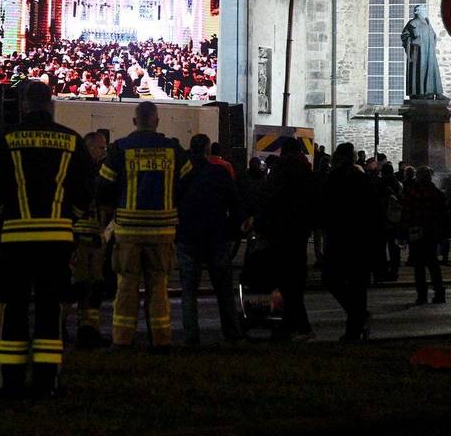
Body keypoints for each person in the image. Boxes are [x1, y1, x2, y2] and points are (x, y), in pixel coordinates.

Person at [0, 81, 92, 397]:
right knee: (50, 311)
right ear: (51, 106)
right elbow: (86, 186)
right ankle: (47, 381)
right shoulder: (71, 140)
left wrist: (1, 218)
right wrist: (71, 216)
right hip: (56, 240)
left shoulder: (6, 140)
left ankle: (10, 380)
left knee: (13, 310)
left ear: (24, 106)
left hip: (15, 239)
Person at [97, 101, 190, 349]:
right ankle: (161, 339)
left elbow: (103, 187)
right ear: (157, 121)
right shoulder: (173, 149)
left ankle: (122, 339)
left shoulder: (119, 149)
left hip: (128, 230)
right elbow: (188, 182)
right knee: (158, 287)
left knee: (126, 286)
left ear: (135, 121)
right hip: (162, 231)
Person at [176, 133, 243, 346]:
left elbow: (173, 201)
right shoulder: (219, 173)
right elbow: (235, 204)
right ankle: (232, 334)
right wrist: (233, 232)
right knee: (224, 291)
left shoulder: (182, 174)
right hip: (216, 236)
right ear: (207, 150)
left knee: (188, 292)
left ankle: (191, 336)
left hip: (188, 236)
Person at [254, 139, 317, 340]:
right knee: (294, 281)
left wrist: (259, 221)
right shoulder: (306, 170)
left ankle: (300, 326)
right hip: (299, 231)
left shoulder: (283, 169)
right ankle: (289, 325)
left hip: (281, 231)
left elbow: (270, 197)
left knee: (284, 280)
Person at [320, 142, 382, 342]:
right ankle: (357, 320)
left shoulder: (338, 178)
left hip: (343, 236)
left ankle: (355, 324)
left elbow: (327, 205)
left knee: (334, 279)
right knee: (356, 284)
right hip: (359, 237)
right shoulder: (360, 178)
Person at [71, 131, 110, 349]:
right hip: (80, 238)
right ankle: (65, 328)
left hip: (94, 236)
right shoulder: (80, 172)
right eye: (101, 148)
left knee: (94, 286)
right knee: (78, 286)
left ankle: (89, 329)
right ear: (89, 148)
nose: (104, 152)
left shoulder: (97, 171)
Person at [401, 165, 447, 305]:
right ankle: (439, 293)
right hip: (431, 232)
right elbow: (442, 215)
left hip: (416, 233)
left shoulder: (412, 193)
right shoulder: (436, 193)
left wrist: (404, 231)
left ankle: (422, 295)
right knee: (433, 264)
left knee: (419, 266)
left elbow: (407, 214)